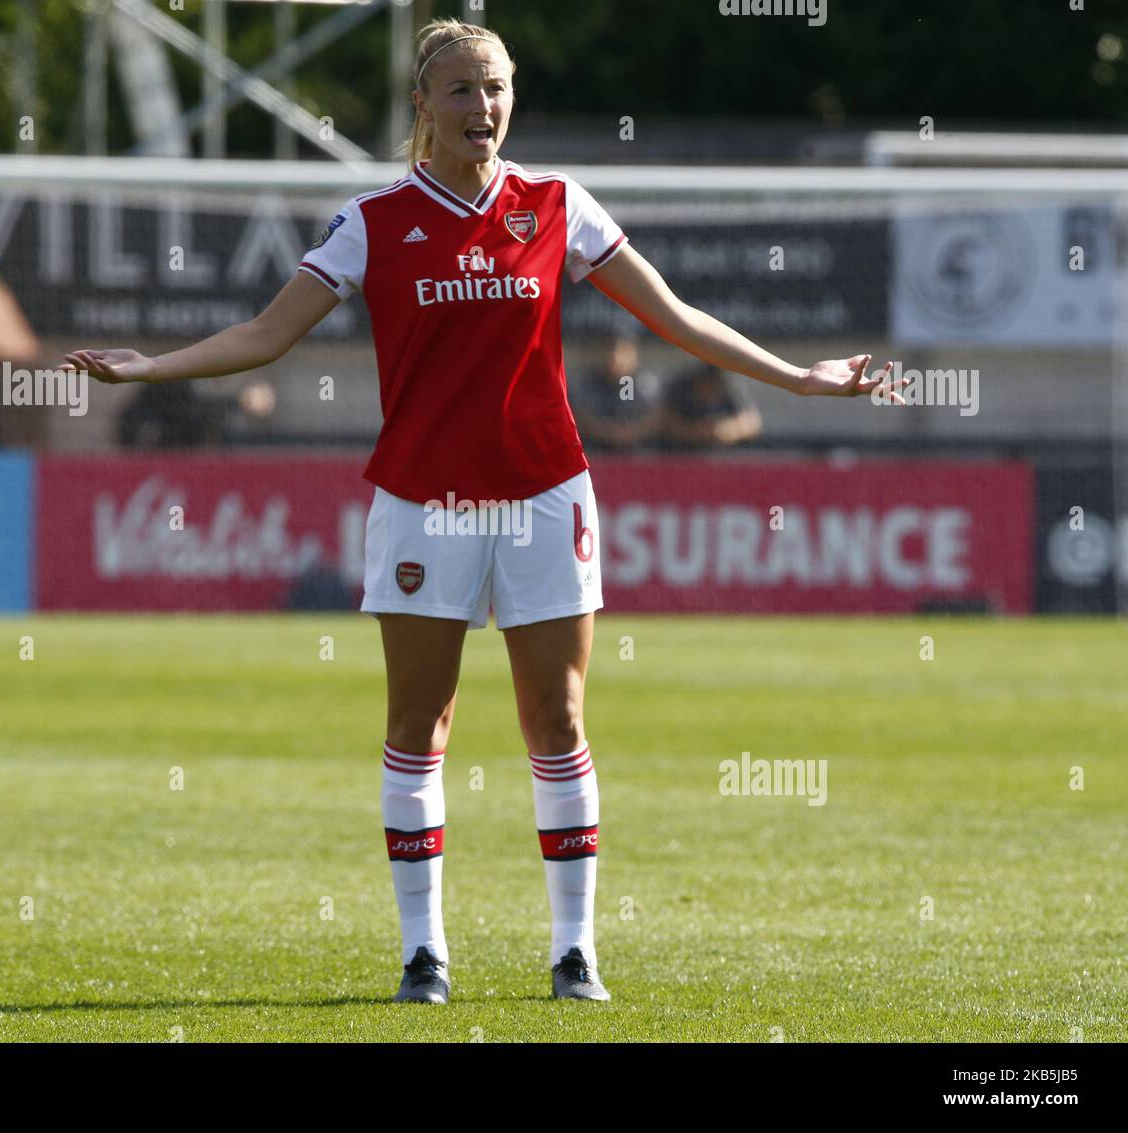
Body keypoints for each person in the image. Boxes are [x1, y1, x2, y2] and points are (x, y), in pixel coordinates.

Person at [61, 17, 904, 1007]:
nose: (482, 107)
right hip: (423, 503)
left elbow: (675, 317)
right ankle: (424, 952)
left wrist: (800, 378)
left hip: (546, 496)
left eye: (495, 87)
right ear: (422, 106)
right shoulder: (372, 220)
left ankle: (575, 949)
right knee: (419, 726)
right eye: (459, 90)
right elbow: (266, 331)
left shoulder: (557, 205)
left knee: (558, 717)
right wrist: (150, 364)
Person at [571, 332, 664, 451]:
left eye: (623, 352)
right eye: (610, 351)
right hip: (596, 448)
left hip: (638, 450)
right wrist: (607, 432)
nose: (614, 358)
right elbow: (579, 416)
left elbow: (656, 416)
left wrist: (630, 433)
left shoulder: (645, 382)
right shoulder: (586, 383)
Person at [661, 360, 762, 448]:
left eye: (713, 385)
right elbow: (660, 419)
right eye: (705, 384)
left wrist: (724, 430)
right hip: (680, 455)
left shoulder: (728, 388)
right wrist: (693, 431)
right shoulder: (682, 388)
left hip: (723, 458)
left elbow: (752, 422)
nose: (709, 391)